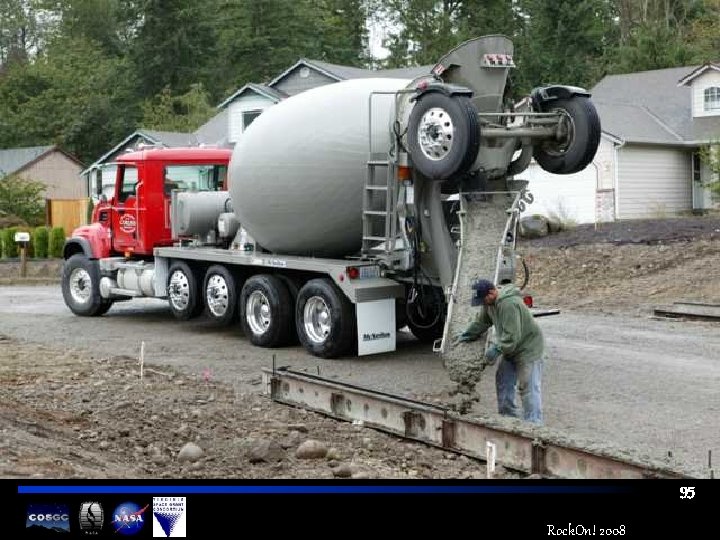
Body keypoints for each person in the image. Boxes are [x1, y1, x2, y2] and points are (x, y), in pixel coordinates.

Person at [453, 278, 545, 424]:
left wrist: (496, 350)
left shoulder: (508, 304)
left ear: (491, 292)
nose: (483, 304)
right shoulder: (489, 304)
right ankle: (509, 419)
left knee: (528, 386)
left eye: (483, 300)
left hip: (528, 348)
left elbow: (512, 337)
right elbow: (482, 322)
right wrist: (467, 334)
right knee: (503, 380)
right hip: (511, 348)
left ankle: (534, 424)